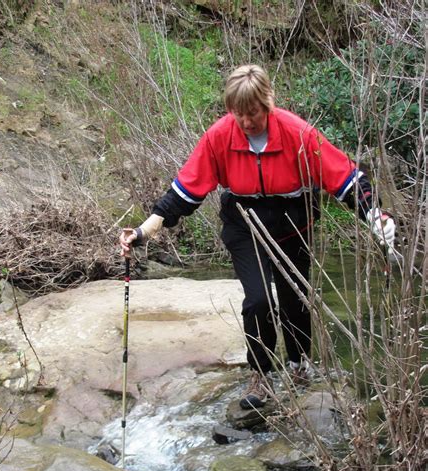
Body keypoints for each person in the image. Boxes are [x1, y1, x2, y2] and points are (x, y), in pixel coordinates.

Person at [119, 64, 395, 410]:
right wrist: (143, 231)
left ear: (268, 103)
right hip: (244, 227)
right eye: (239, 114)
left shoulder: (298, 134)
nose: (246, 122)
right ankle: (261, 375)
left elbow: (343, 177)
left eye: (253, 113)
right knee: (259, 300)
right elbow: (185, 190)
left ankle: (298, 365)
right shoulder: (220, 136)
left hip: (294, 227)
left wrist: (374, 214)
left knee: (296, 300)